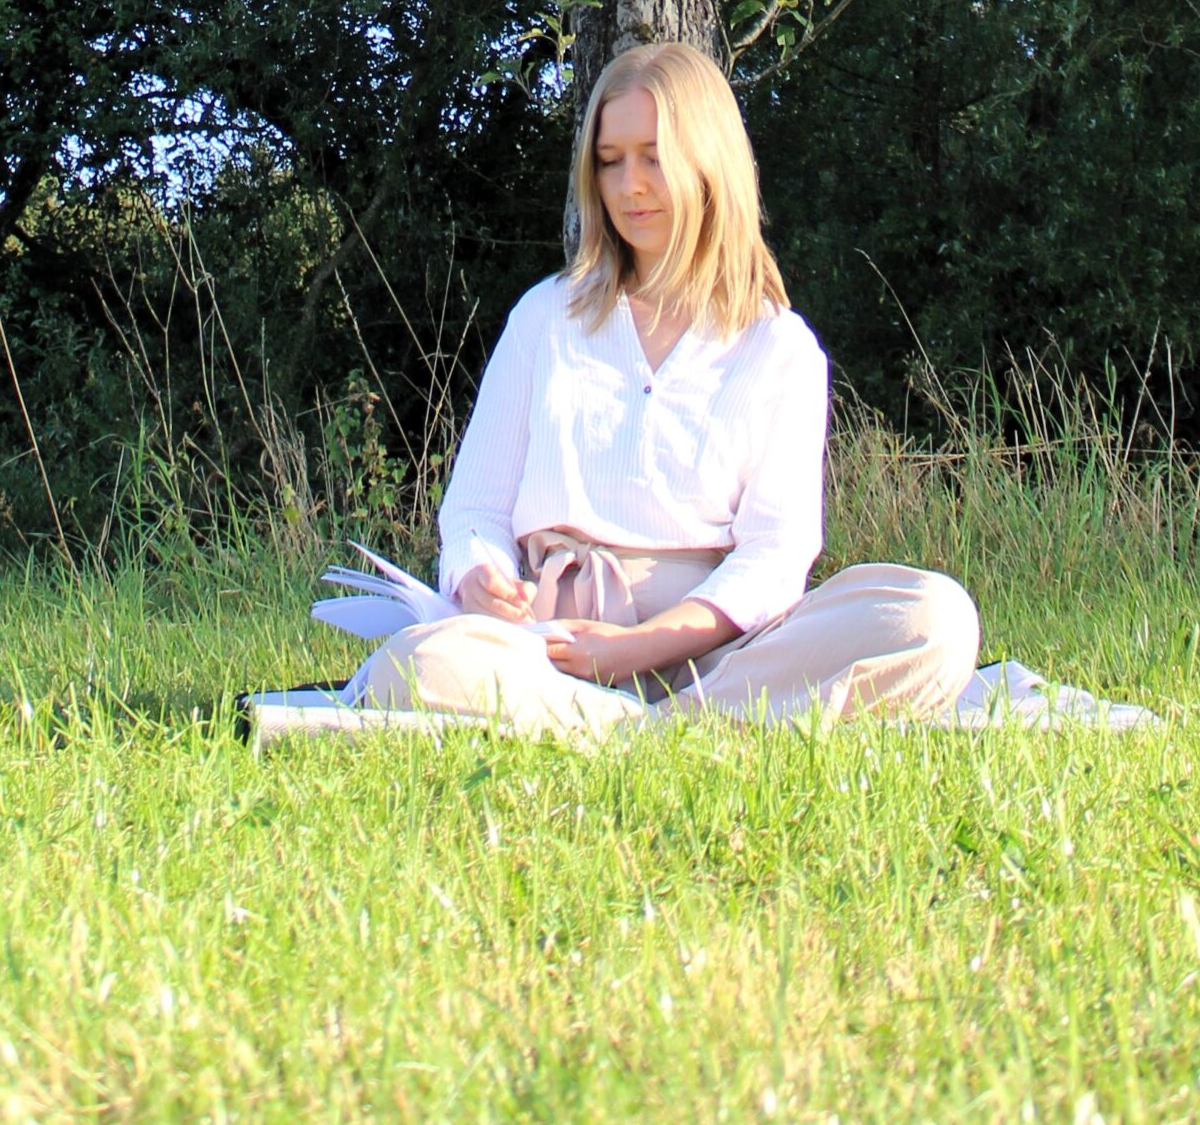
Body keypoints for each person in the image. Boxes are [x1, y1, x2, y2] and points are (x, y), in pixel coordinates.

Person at [347, 39, 983, 736]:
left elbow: (776, 555)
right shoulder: (546, 319)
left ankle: (646, 728)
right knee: (412, 665)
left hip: (725, 655)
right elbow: (473, 514)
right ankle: (682, 731)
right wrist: (481, 579)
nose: (630, 186)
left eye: (653, 156)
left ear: (708, 162)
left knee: (933, 620)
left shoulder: (779, 347)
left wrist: (643, 647)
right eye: (611, 162)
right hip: (553, 653)